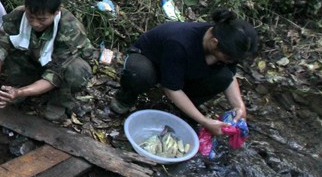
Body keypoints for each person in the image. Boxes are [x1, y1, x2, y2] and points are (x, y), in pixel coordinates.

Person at [109, 8, 258, 136]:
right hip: (151, 61)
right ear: (214, 43)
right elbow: (172, 89)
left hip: (182, 68)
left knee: (223, 76)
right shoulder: (180, 42)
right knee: (139, 74)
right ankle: (125, 98)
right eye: (228, 58)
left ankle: (184, 110)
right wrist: (204, 121)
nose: (230, 61)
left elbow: (229, 76)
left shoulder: (225, 47)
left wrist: (239, 106)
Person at [0, 0, 97, 115]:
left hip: (60, 64)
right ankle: (25, 83)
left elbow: (56, 72)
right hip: (34, 57)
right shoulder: (18, 15)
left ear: (56, 11)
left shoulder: (70, 29)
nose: (35, 23)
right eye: (31, 17)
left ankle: (59, 100)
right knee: (8, 49)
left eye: (42, 19)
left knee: (76, 70)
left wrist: (20, 92)